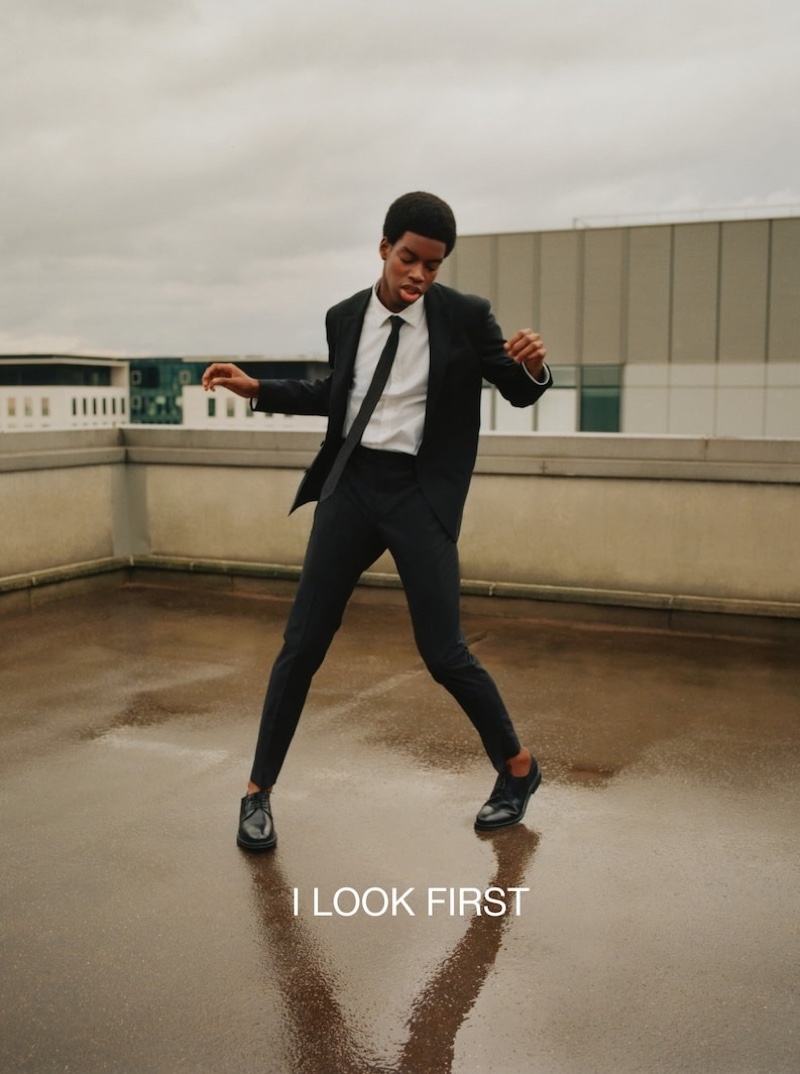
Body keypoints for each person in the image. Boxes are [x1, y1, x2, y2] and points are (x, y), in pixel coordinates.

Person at [202, 192, 551, 852]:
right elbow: (336, 398)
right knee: (302, 643)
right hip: (352, 489)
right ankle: (257, 794)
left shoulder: (465, 318)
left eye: (433, 265)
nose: (419, 275)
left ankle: (519, 769)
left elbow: (516, 387)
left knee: (443, 654)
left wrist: (534, 368)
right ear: (385, 247)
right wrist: (258, 389)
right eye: (409, 258)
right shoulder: (345, 318)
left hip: (419, 496)